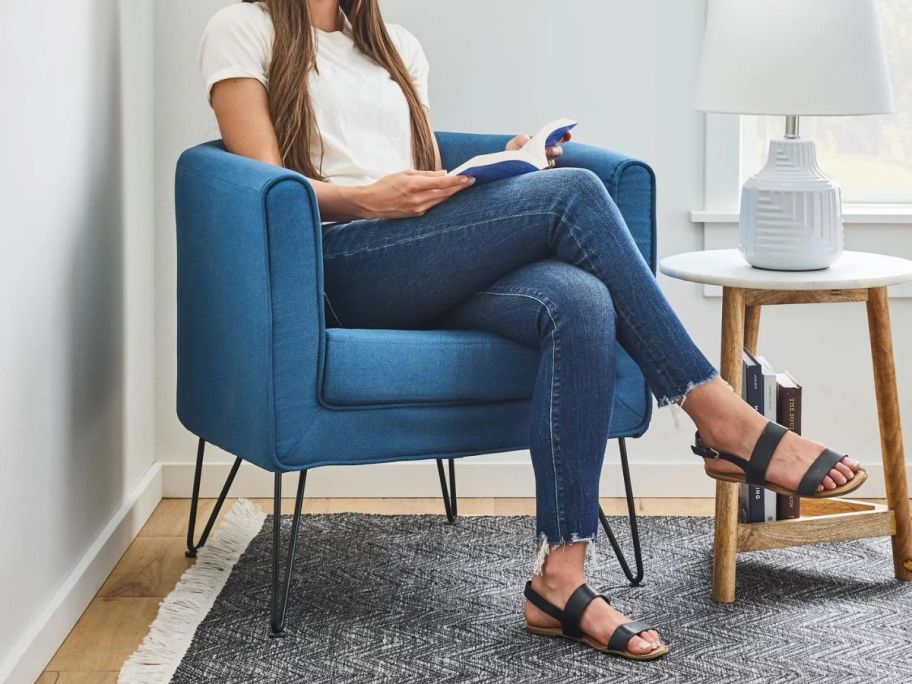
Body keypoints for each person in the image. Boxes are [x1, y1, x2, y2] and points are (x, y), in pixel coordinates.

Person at [197, 0, 866, 660]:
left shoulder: (395, 45)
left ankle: (560, 579)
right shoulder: (243, 29)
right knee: (573, 194)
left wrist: (505, 163)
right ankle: (722, 417)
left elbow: (424, 173)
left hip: (418, 258)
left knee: (580, 300)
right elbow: (265, 184)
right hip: (338, 262)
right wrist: (368, 198)